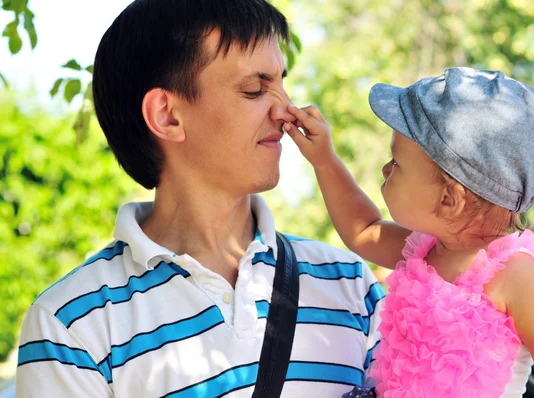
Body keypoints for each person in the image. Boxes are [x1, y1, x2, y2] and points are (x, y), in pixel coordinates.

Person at [15, 1, 384, 396]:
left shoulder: (350, 284)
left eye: (281, 82)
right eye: (255, 89)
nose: (286, 110)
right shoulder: (70, 327)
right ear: (167, 115)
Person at [285, 67, 534, 397]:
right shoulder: (422, 251)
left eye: (397, 163)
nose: (385, 169)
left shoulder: (517, 275)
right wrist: (324, 161)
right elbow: (363, 230)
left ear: (450, 199)